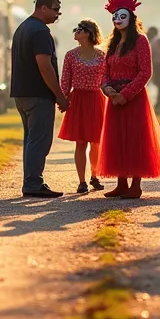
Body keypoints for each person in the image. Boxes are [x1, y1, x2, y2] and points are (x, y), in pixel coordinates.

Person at [96, 0, 160, 199]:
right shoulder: (112, 43)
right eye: (114, 16)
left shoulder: (141, 41)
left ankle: (136, 184)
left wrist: (126, 94)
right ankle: (121, 183)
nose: (117, 20)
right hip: (114, 100)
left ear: (131, 17)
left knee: (135, 139)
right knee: (117, 139)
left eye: (122, 15)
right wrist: (108, 90)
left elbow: (145, 72)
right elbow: (105, 72)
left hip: (134, 99)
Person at [10, 0, 68, 198]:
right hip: (38, 94)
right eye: (55, 10)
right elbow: (44, 66)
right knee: (39, 140)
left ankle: (31, 181)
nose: (57, 15)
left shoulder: (23, 27)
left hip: (21, 93)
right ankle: (33, 183)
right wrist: (59, 95)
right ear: (43, 8)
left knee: (31, 139)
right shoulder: (41, 32)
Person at [58, 19, 107, 194]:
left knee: (96, 141)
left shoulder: (102, 56)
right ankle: (81, 181)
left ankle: (95, 175)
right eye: (76, 28)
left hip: (96, 98)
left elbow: (106, 79)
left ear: (89, 33)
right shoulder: (71, 55)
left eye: (80, 29)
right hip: (78, 99)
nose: (76, 32)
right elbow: (65, 81)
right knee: (80, 142)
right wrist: (63, 99)